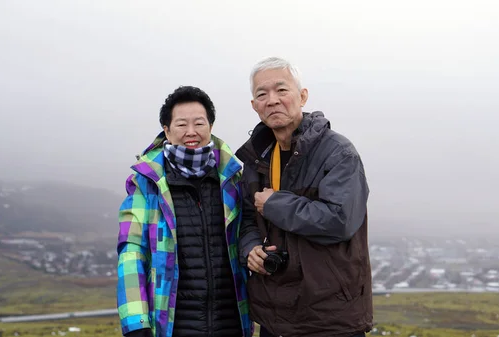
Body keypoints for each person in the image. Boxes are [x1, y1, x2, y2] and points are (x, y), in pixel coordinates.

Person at [236, 57, 373, 337]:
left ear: (302, 96)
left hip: (329, 317)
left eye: (281, 90)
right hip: (275, 315)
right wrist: (250, 249)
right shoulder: (256, 158)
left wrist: (275, 204)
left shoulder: (338, 153)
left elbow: (340, 220)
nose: (272, 100)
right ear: (254, 106)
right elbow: (248, 217)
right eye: (262, 94)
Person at [116, 86, 253, 337]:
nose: (191, 132)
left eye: (199, 123)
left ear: (210, 126)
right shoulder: (146, 184)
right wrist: (136, 324)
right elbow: (131, 251)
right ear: (167, 131)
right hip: (172, 327)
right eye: (181, 125)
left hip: (231, 323)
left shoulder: (232, 179)